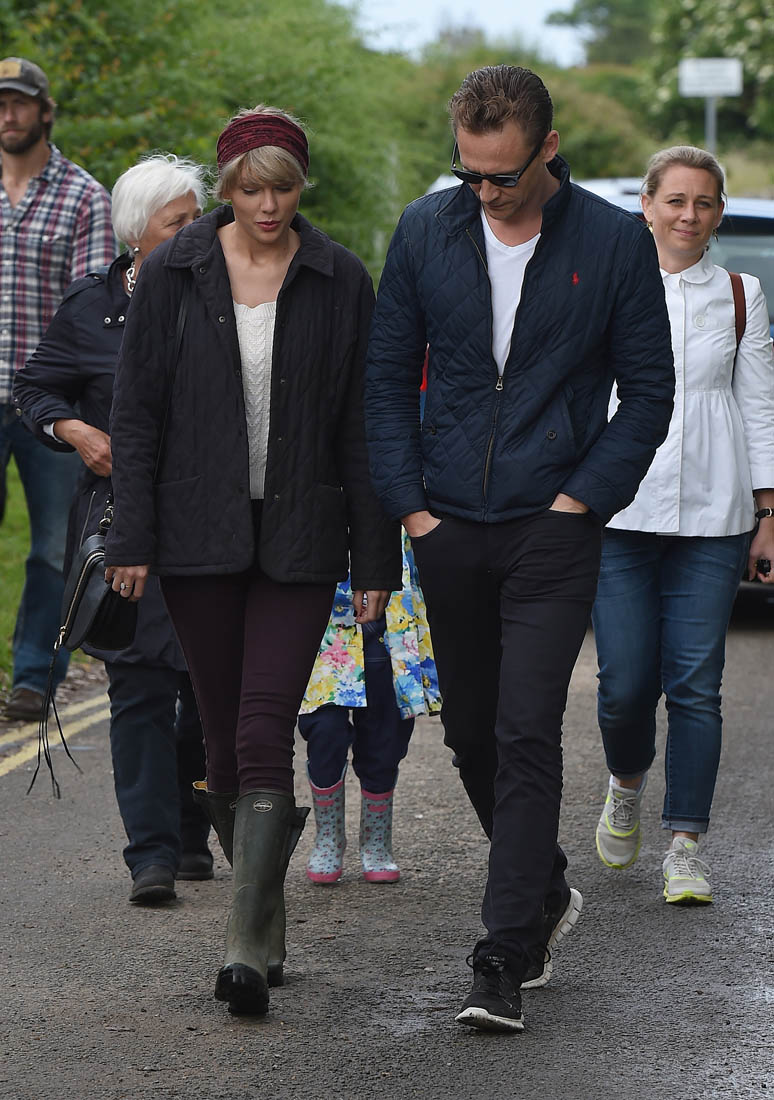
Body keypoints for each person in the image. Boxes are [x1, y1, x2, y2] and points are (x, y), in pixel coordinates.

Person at [365, 64, 675, 1033]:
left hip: (554, 526)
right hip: (447, 523)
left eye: (502, 175)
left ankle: (500, 954)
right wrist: (412, 509)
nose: (485, 192)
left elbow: (649, 394)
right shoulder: (427, 228)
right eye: (469, 173)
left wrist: (581, 500)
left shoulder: (613, 241)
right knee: (469, 732)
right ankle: (541, 886)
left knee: (526, 728)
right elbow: (385, 379)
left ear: (548, 148)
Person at [103, 106, 401, 1016]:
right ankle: (263, 923)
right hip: (197, 532)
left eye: (284, 188)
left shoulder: (340, 278)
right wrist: (133, 539)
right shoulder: (175, 271)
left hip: (302, 537)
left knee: (268, 720)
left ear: (301, 187)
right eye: (250, 188)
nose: (268, 206)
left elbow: (363, 428)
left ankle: (240, 948)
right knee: (223, 729)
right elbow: (137, 412)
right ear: (227, 188)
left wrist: (375, 560)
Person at [13, 154, 213, 904]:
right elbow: (35, 386)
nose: (196, 232)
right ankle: (151, 855)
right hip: (121, 521)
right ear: (137, 235)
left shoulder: (227, 294)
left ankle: (192, 830)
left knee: (203, 690)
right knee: (138, 686)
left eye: (198, 218)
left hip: (209, 520)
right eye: (178, 222)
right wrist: (74, 430)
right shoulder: (88, 309)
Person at [592, 145, 774, 905]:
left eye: (703, 203)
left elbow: (758, 403)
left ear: (718, 212)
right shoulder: (608, 284)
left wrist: (767, 514)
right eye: (675, 200)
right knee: (624, 684)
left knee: (697, 686)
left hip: (716, 512)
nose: (688, 215)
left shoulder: (740, 293)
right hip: (621, 510)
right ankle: (625, 783)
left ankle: (686, 846)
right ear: (647, 206)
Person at [0, 56, 115, 720]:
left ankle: (34, 678)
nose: (8, 115)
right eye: (0, 104)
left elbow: (89, 313)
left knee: (53, 547)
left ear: (45, 111)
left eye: (19, 102)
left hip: (49, 405)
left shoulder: (83, 196)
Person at [299, 533, 441, 884]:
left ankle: (377, 841)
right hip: (323, 616)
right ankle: (329, 837)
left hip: (390, 612)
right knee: (324, 729)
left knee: (386, 735)